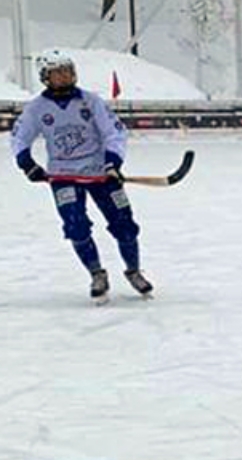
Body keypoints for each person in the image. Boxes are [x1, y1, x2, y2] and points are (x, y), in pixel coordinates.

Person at [11, 49, 153, 304]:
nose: (65, 76)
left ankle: (133, 270)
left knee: (125, 225)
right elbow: (19, 137)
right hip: (63, 176)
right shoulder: (36, 108)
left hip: (101, 173)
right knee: (76, 228)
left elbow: (114, 132)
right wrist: (26, 163)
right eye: (58, 73)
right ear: (46, 77)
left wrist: (113, 162)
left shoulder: (91, 101)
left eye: (68, 71)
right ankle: (97, 274)